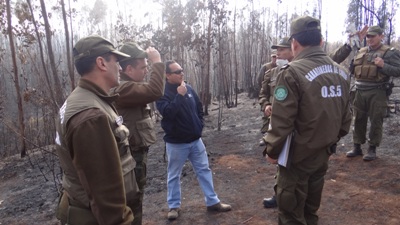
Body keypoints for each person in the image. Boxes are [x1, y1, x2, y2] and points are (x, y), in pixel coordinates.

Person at [263, 16, 352, 225]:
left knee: (291, 214)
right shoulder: (342, 72)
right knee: (310, 210)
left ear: (294, 43)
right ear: (321, 41)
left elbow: (281, 121)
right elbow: (346, 119)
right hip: (323, 153)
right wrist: (328, 141)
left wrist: (272, 150)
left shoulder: (292, 72)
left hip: (297, 157)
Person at [54, 35, 136, 225]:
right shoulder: (90, 116)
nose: (121, 68)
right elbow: (105, 194)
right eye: (116, 61)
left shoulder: (82, 100)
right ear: (101, 63)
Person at [156, 60, 232, 220]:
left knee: (204, 170)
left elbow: (198, 107)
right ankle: (174, 206)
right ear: (168, 75)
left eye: (182, 70)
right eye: (177, 72)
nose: (181, 73)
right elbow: (168, 112)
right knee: (174, 175)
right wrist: (179, 95)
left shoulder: (189, 88)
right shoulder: (162, 93)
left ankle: (212, 202)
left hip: (196, 141)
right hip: (176, 143)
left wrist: (199, 125)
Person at [110, 42, 165, 225]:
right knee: (133, 199)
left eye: (148, 67)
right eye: (143, 67)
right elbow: (155, 90)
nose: (146, 71)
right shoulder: (124, 88)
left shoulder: (130, 86)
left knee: (136, 197)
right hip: (131, 155)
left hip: (135, 153)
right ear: (129, 69)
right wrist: (157, 62)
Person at [346, 25, 400, 161]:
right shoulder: (361, 51)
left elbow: (398, 71)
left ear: (381, 36)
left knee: (376, 119)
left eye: (373, 36)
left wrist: (383, 66)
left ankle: (372, 148)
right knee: (358, 118)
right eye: (368, 36)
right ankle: (357, 146)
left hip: (378, 90)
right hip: (359, 90)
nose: (370, 39)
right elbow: (353, 70)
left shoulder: (390, 52)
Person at [259, 37, 293, 208]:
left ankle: (293, 198)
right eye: (277, 50)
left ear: (293, 50)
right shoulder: (270, 73)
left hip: (294, 125)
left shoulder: (299, 72)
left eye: (282, 50)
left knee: (293, 162)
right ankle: (278, 194)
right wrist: (265, 105)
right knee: (281, 160)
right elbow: (262, 94)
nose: (278, 53)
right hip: (276, 123)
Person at [257, 52, 277, 146]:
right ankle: (265, 135)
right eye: (273, 57)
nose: (275, 59)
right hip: (269, 94)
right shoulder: (266, 67)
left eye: (276, 57)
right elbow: (260, 79)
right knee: (267, 115)